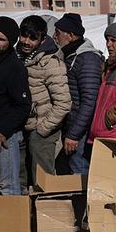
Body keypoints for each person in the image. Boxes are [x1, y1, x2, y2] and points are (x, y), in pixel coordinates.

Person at [0, 17, 31, 218]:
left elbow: (23, 106)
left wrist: (3, 130)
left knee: (8, 186)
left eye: (1, 39)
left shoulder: (15, 68)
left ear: (10, 41)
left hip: (5, 137)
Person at [17, 15, 71, 187]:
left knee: (42, 180)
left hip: (42, 130)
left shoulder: (50, 62)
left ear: (41, 39)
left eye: (32, 38)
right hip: (22, 126)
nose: (26, 41)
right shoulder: (18, 56)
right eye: (24, 35)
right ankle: (24, 213)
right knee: (22, 178)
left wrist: (42, 129)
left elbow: (63, 103)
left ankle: (47, 212)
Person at [54, 13, 103, 175]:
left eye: (58, 33)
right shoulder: (70, 55)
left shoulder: (87, 59)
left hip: (81, 130)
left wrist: (74, 134)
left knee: (79, 172)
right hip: (73, 125)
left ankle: (84, 201)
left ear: (71, 35)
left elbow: (90, 100)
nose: (55, 37)